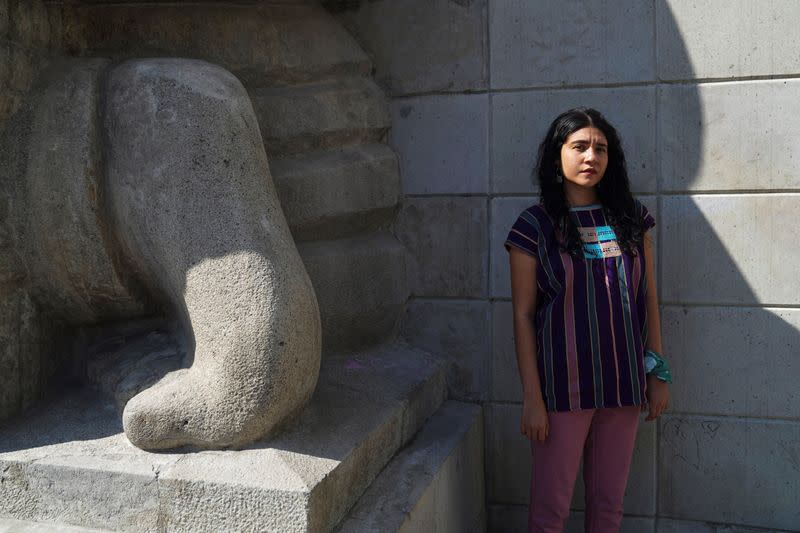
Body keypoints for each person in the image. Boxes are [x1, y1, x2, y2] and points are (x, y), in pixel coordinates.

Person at [505, 107, 671, 533]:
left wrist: (658, 372)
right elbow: (523, 315)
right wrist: (532, 397)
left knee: (608, 508)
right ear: (556, 156)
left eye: (600, 148)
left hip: (624, 385)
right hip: (562, 390)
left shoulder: (631, 218)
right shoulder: (534, 226)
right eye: (578, 146)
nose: (590, 157)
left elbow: (647, 297)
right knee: (550, 512)